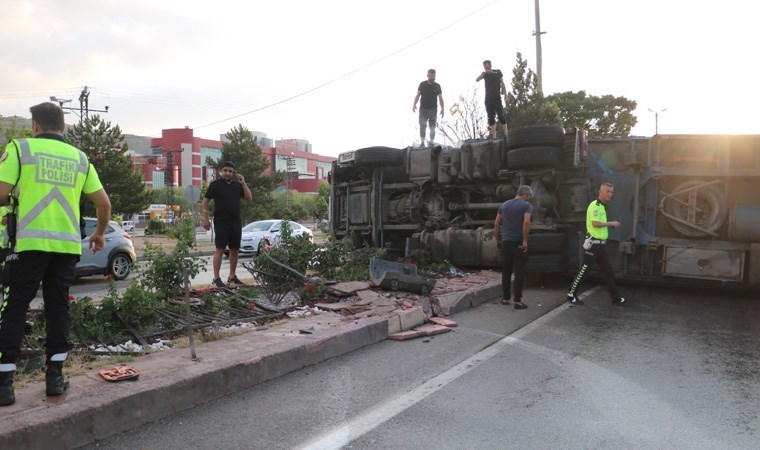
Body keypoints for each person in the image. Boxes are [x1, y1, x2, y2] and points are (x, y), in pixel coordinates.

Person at [0, 102, 111, 406]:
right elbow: (104, 204)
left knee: (15, 308)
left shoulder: (21, 149)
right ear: (63, 126)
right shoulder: (80, 158)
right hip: (65, 248)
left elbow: (0, 192)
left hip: (28, 246)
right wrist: (99, 234)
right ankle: (55, 378)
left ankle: (4, 385)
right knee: (58, 308)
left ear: (35, 125)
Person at [566, 182, 626, 306]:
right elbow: (595, 223)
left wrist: (610, 226)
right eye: (607, 191)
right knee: (584, 270)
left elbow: (599, 225)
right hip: (594, 244)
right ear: (601, 191)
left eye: (611, 192)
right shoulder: (595, 205)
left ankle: (616, 298)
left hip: (600, 246)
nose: (610, 194)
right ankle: (571, 294)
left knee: (608, 272)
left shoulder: (602, 207)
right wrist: (611, 224)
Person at [202, 161, 252, 288]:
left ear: (233, 173)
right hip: (221, 221)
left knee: (234, 250)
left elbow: (249, 198)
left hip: (235, 221)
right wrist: (206, 219)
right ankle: (216, 278)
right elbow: (205, 201)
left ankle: (232, 277)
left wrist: (243, 182)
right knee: (220, 249)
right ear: (221, 171)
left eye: (230, 171)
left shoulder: (237, 185)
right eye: (225, 170)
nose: (227, 173)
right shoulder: (215, 185)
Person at [493, 185, 533, 310]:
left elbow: (496, 223)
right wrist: (525, 240)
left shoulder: (504, 205)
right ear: (525, 195)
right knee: (519, 272)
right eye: (528, 197)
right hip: (518, 243)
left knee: (506, 272)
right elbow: (526, 222)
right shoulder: (526, 206)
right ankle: (517, 301)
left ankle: (505, 298)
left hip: (506, 242)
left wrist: (498, 240)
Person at [476, 60, 509, 139]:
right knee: (490, 117)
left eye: (487, 66)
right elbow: (477, 79)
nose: (486, 67)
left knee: (500, 116)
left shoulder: (497, 72)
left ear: (490, 65)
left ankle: (507, 134)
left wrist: (505, 96)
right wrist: (483, 74)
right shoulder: (485, 74)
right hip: (488, 99)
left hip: (497, 98)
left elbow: (503, 84)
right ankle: (494, 137)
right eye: (484, 66)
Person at [412, 69, 444, 146]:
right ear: (427, 76)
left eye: (434, 76)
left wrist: (443, 109)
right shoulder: (422, 84)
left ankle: (431, 142)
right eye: (431, 76)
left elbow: (440, 98)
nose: (433, 77)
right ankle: (422, 142)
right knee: (422, 125)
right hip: (423, 108)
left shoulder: (437, 86)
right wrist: (414, 104)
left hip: (433, 109)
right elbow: (418, 95)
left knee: (432, 126)